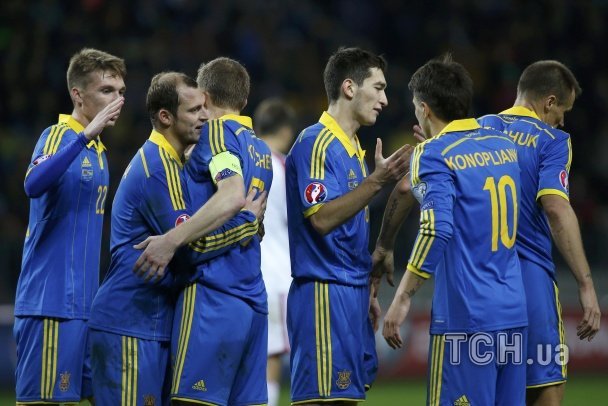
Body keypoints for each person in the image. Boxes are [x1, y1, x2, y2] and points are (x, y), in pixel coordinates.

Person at [86, 72, 264, 404]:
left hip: (153, 324)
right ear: (166, 117)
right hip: (129, 324)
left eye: (205, 107)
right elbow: (191, 248)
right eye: (194, 110)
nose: (205, 116)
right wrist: (247, 222)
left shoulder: (178, 164)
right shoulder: (158, 168)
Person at [379, 55, 528, 405]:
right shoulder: (504, 145)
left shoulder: (433, 155)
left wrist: (402, 298)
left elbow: (436, 229)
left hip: (467, 317)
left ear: (425, 109)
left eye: (416, 107)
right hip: (513, 313)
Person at [133, 57, 273, 406]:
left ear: (205, 98)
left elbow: (231, 194)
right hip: (253, 298)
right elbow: (256, 222)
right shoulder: (262, 149)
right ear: (244, 99)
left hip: (213, 293)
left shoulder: (217, 133)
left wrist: (171, 240)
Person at [285, 47, 411, 405]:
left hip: (350, 293)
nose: (385, 100)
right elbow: (322, 218)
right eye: (379, 88)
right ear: (350, 88)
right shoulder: (316, 142)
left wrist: (364, 286)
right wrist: (377, 181)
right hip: (323, 295)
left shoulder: (353, 147)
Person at [477, 60, 601, 405]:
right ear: (549, 102)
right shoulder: (552, 141)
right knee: (544, 389)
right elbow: (556, 209)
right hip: (529, 282)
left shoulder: (476, 130)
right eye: (563, 110)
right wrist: (586, 284)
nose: (562, 120)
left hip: (478, 284)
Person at [13, 48, 125, 405]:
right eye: (106, 90)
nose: (117, 100)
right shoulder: (59, 135)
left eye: (120, 91)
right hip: (51, 302)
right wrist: (83, 136)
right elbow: (32, 184)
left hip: (86, 305)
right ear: (78, 95)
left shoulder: (98, 151)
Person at [253, 98, 297, 406]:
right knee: (271, 358)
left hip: (245, 274)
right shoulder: (284, 168)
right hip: (278, 274)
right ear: (286, 130)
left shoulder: (245, 162)